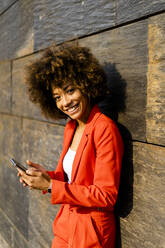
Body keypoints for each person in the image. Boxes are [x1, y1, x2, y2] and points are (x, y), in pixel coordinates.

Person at [18, 43, 124, 248]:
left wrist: (50, 186)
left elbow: (106, 196)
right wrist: (47, 177)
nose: (65, 102)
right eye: (57, 97)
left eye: (70, 91)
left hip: (91, 233)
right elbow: (72, 179)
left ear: (86, 84)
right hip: (66, 225)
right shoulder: (71, 127)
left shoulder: (104, 129)